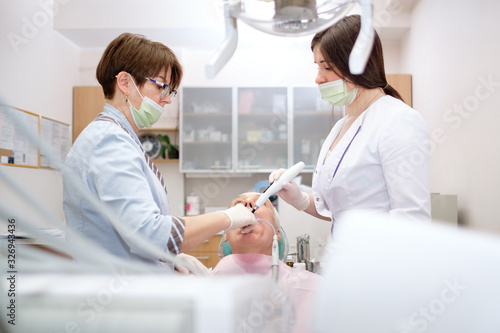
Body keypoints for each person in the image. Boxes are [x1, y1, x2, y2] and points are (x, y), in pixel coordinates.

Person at [63, 33, 256, 269]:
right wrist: (229, 217)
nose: (167, 100)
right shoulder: (109, 141)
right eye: (162, 87)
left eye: (170, 91)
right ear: (125, 83)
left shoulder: (120, 137)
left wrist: (168, 261)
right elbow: (148, 234)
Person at [270, 15, 431, 226]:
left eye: (326, 67)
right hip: (344, 255)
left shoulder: (398, 121)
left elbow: (412, 219)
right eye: (317, 67)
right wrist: (299, 199)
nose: (318, 78)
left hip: (378, 258)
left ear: (359, 65)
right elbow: (340, 213)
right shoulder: (342, 126)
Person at [212, 192, 320, 333]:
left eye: (261, 202)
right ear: (225, 235)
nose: (248, 203)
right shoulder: (198, 287)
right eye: (238, 203)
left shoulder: (315, 289)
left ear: (277, 232)